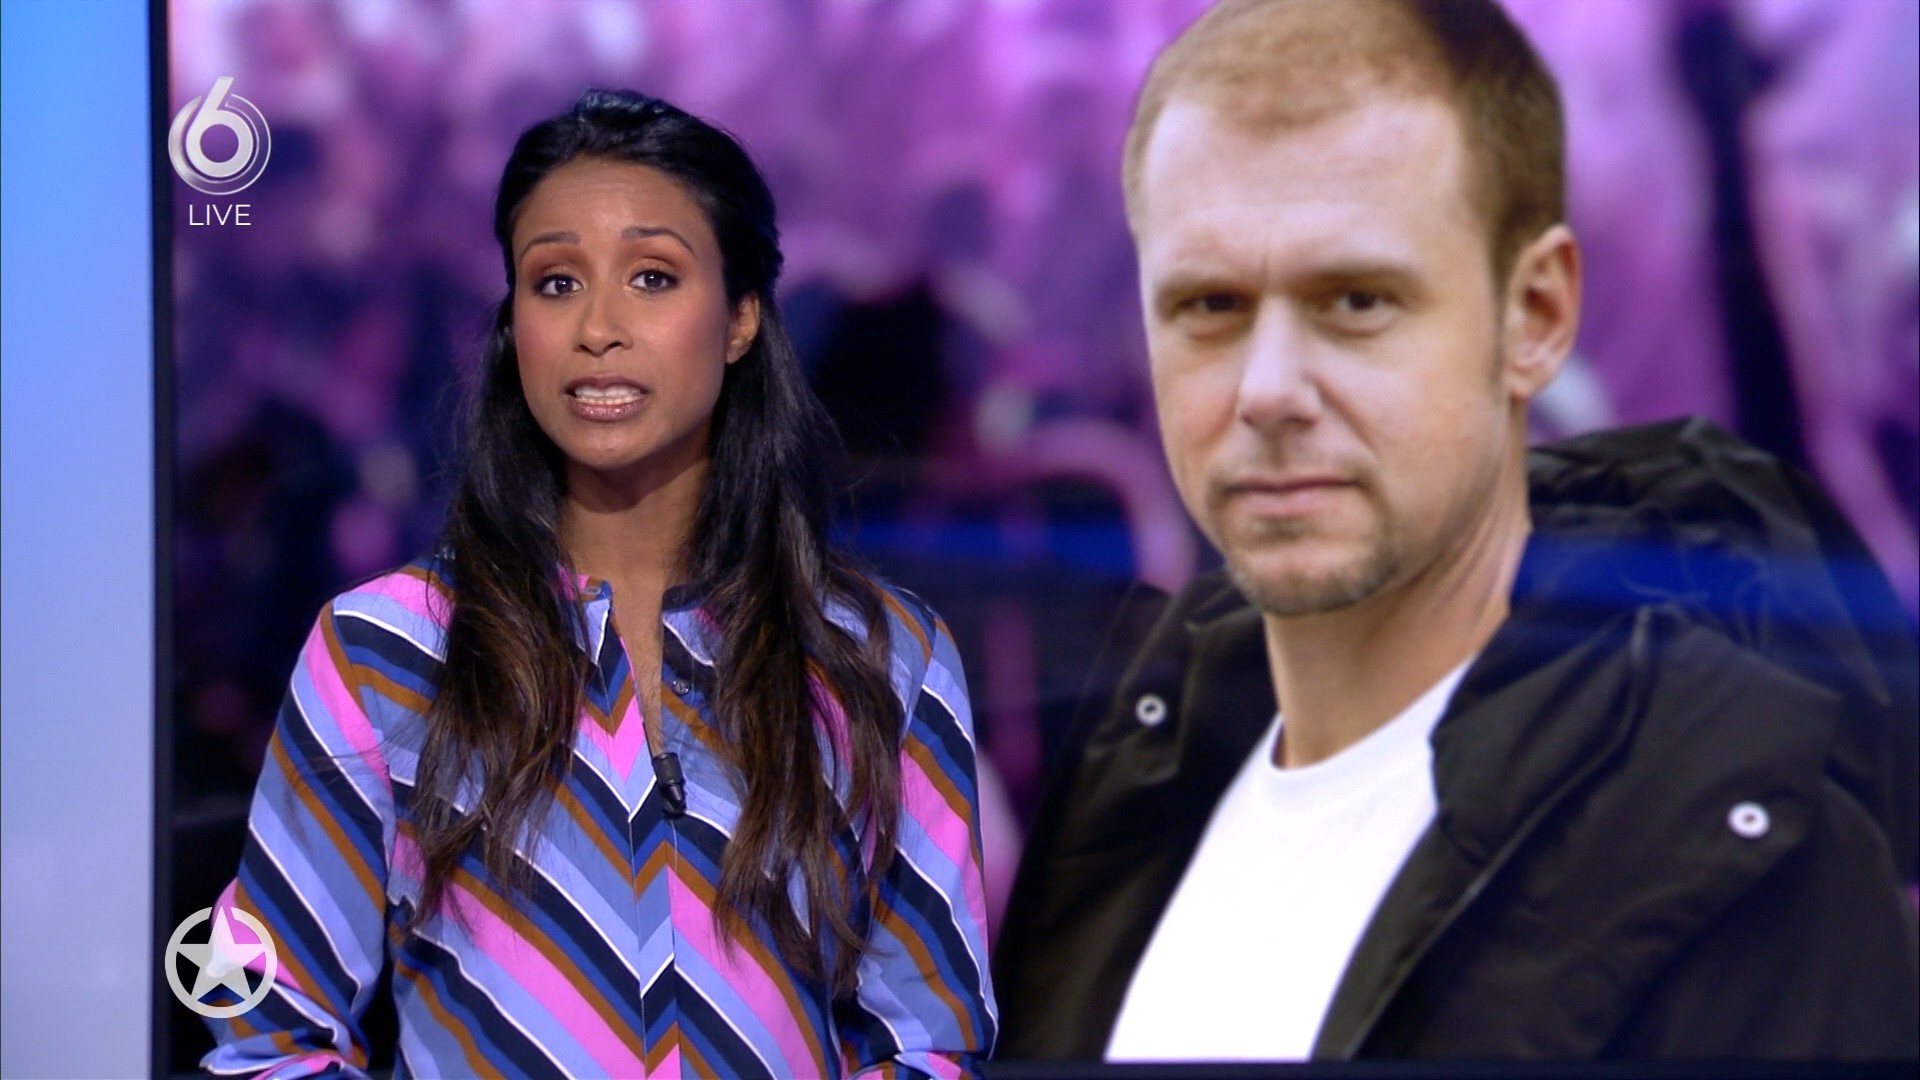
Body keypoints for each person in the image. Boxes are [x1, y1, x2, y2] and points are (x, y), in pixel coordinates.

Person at [994, 0, 1918, 1062]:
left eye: (1356, 300)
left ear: (1536, 316)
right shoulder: (1122, 799)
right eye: (1209, 305)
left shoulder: (1744, 858)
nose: (1269, 390)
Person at [199, 90, 997, 1078]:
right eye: (556, 282)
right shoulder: (384, 653)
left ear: (741, 317)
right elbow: (268, 1034)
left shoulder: (877, 655)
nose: (599, 327)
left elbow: (930, 1042)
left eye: (653, 277)